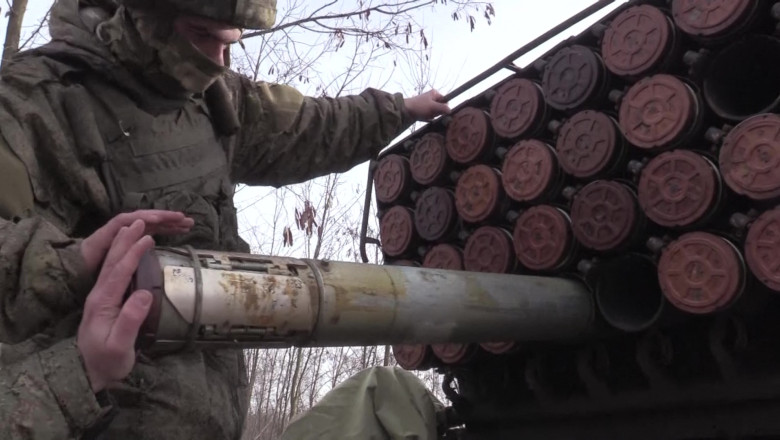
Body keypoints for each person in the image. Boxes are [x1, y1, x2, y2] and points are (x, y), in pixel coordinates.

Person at [0, 0, 450, 438]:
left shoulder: (213, 98)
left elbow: (306, 127)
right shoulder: (34, 100)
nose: (218, 59)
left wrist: (399, 111)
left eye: (229, 41)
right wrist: (72, 263)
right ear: (143, 17)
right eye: (200, 35)